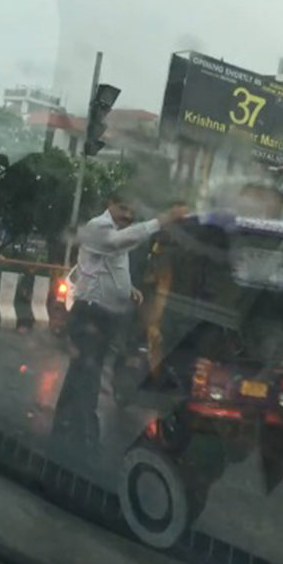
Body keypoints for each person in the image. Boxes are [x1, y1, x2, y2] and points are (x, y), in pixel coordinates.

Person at [50, 187, 188, 452]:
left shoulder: (114, 231)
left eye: (131, 211)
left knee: (81, 375)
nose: (127, 215)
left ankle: (66, 431)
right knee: (88, 377)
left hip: (103, 317)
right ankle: (84, 439)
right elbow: (116, 244)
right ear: (110, 204)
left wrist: (129, 291)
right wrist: (161, 221)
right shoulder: (100, 227)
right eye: (123, 208)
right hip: (89, 314)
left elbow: (110, 267)